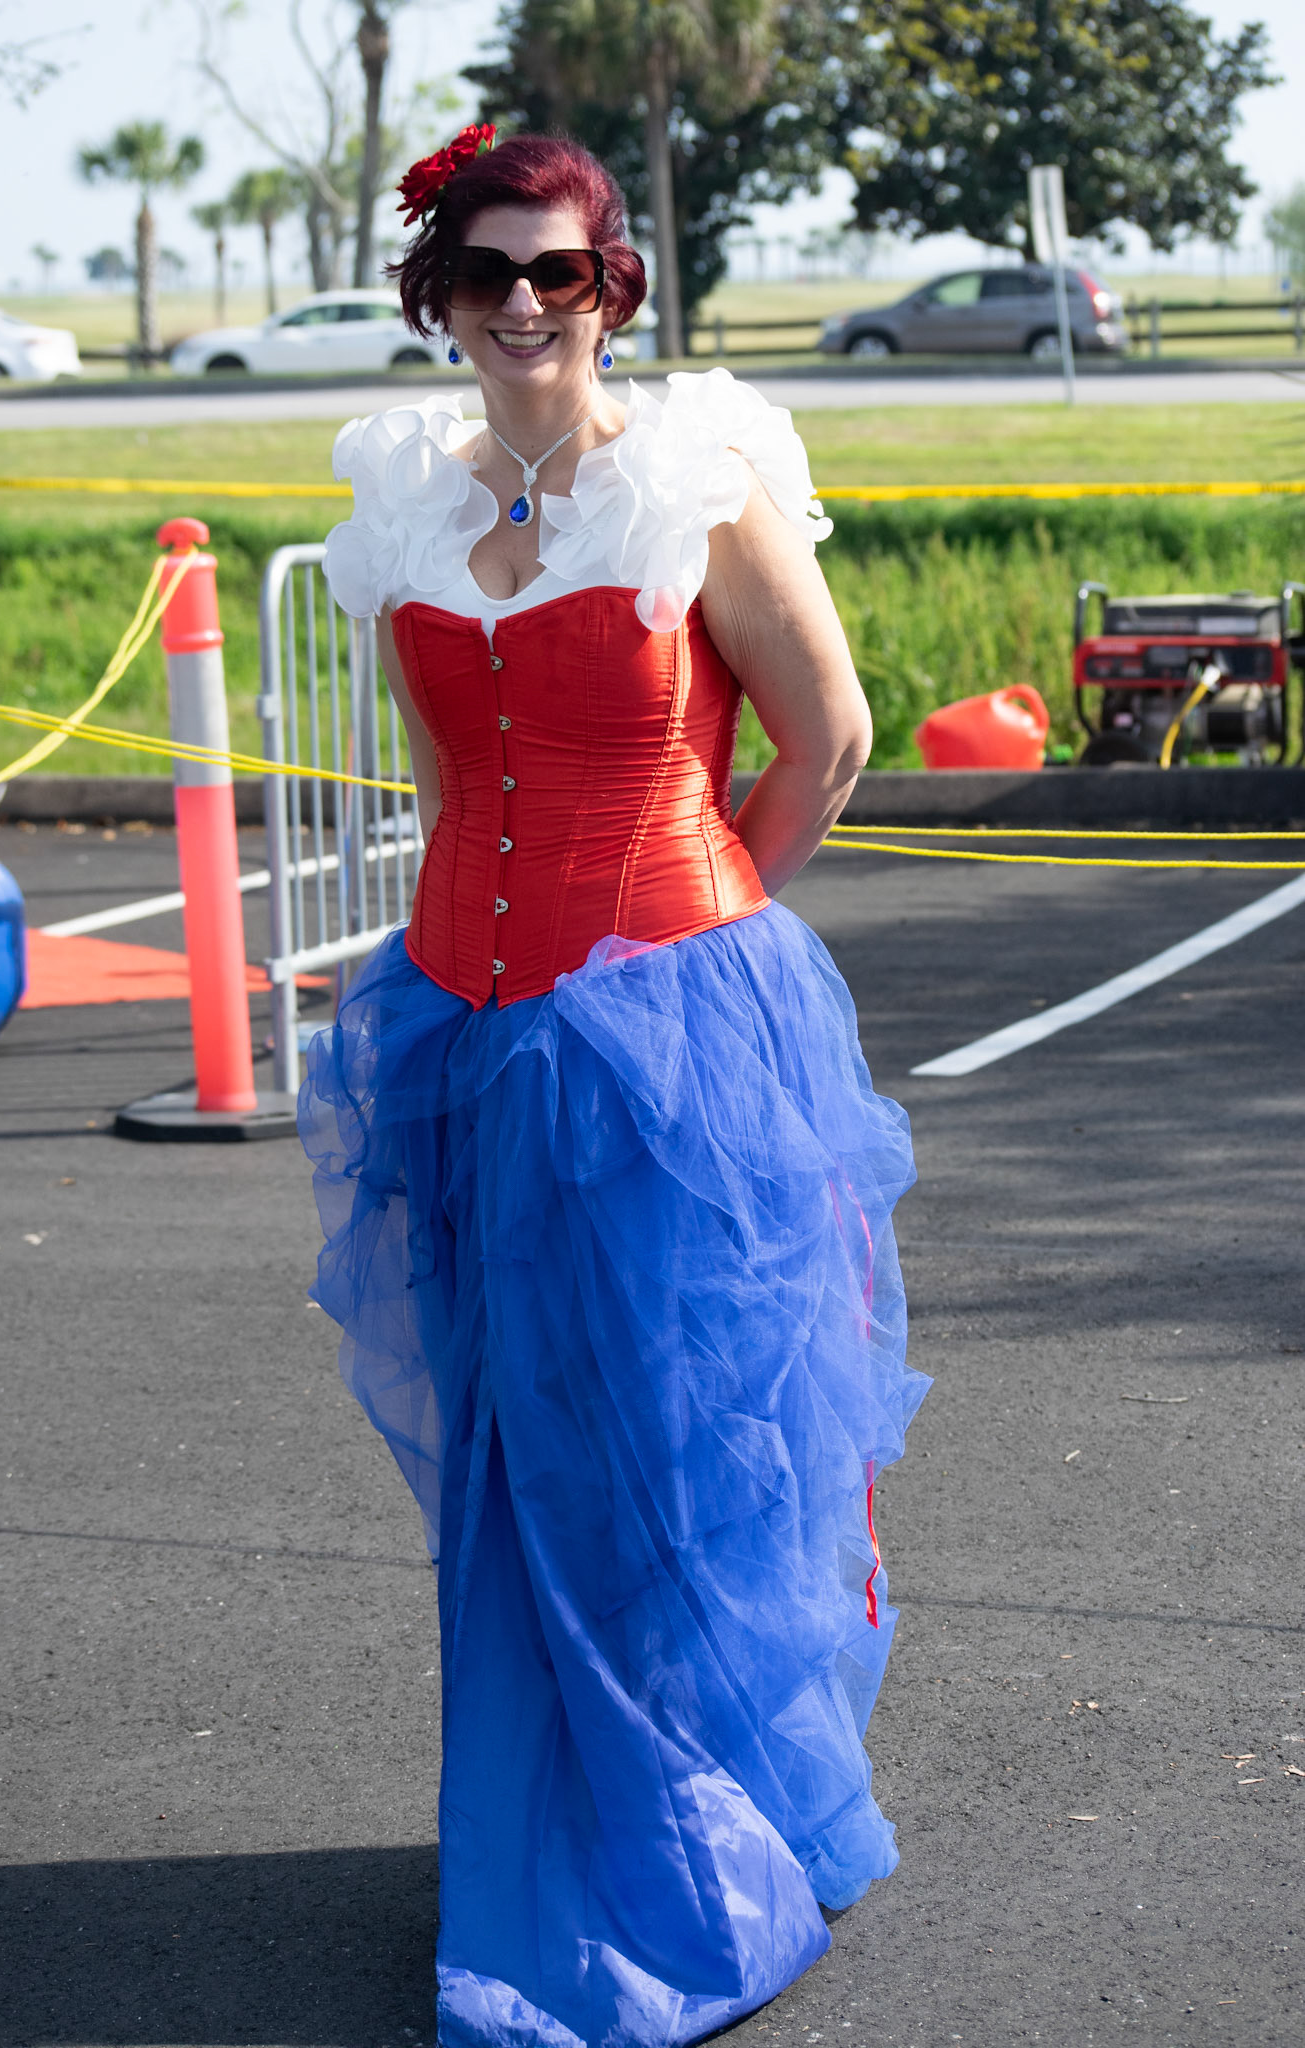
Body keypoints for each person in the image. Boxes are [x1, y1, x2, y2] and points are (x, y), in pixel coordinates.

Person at [300, 124, 929, 2048]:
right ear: (438, 295)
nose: (521, 305)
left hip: (666, 1032)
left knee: (671, 1448)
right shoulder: (404, 506)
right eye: (485, 272)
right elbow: (448, 783)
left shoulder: (691, 483)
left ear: (608, 291)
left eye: (555, 272)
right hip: (461, 1036)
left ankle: (689, 1834)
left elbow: (829, 739)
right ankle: (561, 1812)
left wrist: (694, 931)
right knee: (521, 1449)